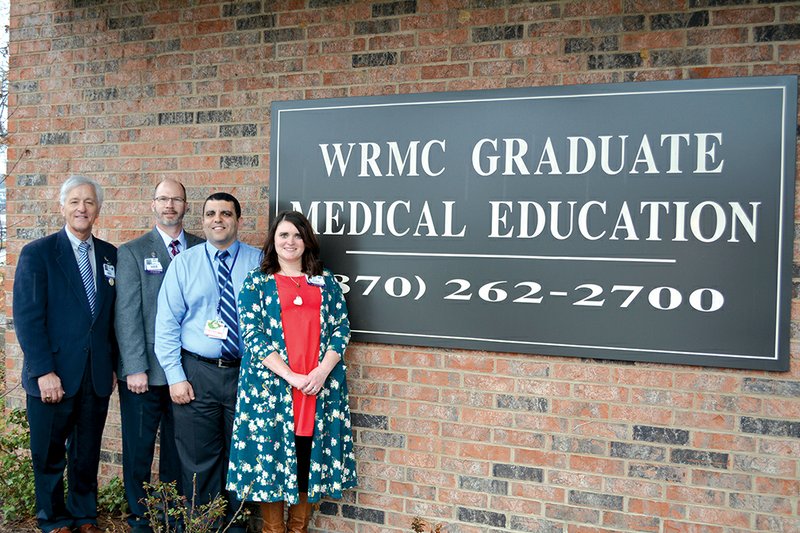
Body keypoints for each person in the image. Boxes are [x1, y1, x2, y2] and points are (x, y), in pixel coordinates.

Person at [226, 210, 357, 533]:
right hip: (272, 392)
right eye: (284, 235)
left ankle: (298, 527)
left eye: (297, 235)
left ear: (307, 241)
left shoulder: (325, 281)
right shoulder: (257, 283)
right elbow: (253, 336)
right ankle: (273, 529)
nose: (290, 241)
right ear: (273, 240)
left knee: (306, 460)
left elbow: (341, 328)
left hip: (318, 389)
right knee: (271, 461)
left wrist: (322, 372)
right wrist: (292, 377)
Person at [12, 176, 117, 533]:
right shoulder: (38, 254)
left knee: (86, 452)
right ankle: (53, 518)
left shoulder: (110, 255)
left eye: (88, 202)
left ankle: (84, 515)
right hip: (53, 373)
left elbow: (113, 317)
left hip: (95, 373)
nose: (82, 209)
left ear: (98, 209)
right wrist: (43, 371)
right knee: (50, 452)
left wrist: (114, 364)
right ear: (62, 207)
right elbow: (27, 317)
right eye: (74, 202)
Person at [154, 192, 261, 532]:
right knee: (199, 461)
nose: (218, 219)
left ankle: (236, 528)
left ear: (238, 221)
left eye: (226, 213)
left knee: (240, 458)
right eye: (211, 213)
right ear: (202, 221)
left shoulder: (259, 263)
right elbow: (167, 324)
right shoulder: (184, 263)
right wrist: (175, 376)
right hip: (196, 372)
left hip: (245, 374)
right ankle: (204, 527)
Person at [115, 179, 204, 532]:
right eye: (163, 199)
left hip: (187, 373)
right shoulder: (133, 251)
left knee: (176, 449)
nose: (170, 205)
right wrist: (134, 366)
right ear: (153, 204)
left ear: (186, 205)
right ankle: (141, 518)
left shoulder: (200, 247)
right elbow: (127, 314)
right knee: (139, 451)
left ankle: (172, 515)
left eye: (176, 199)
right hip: (144, 375)